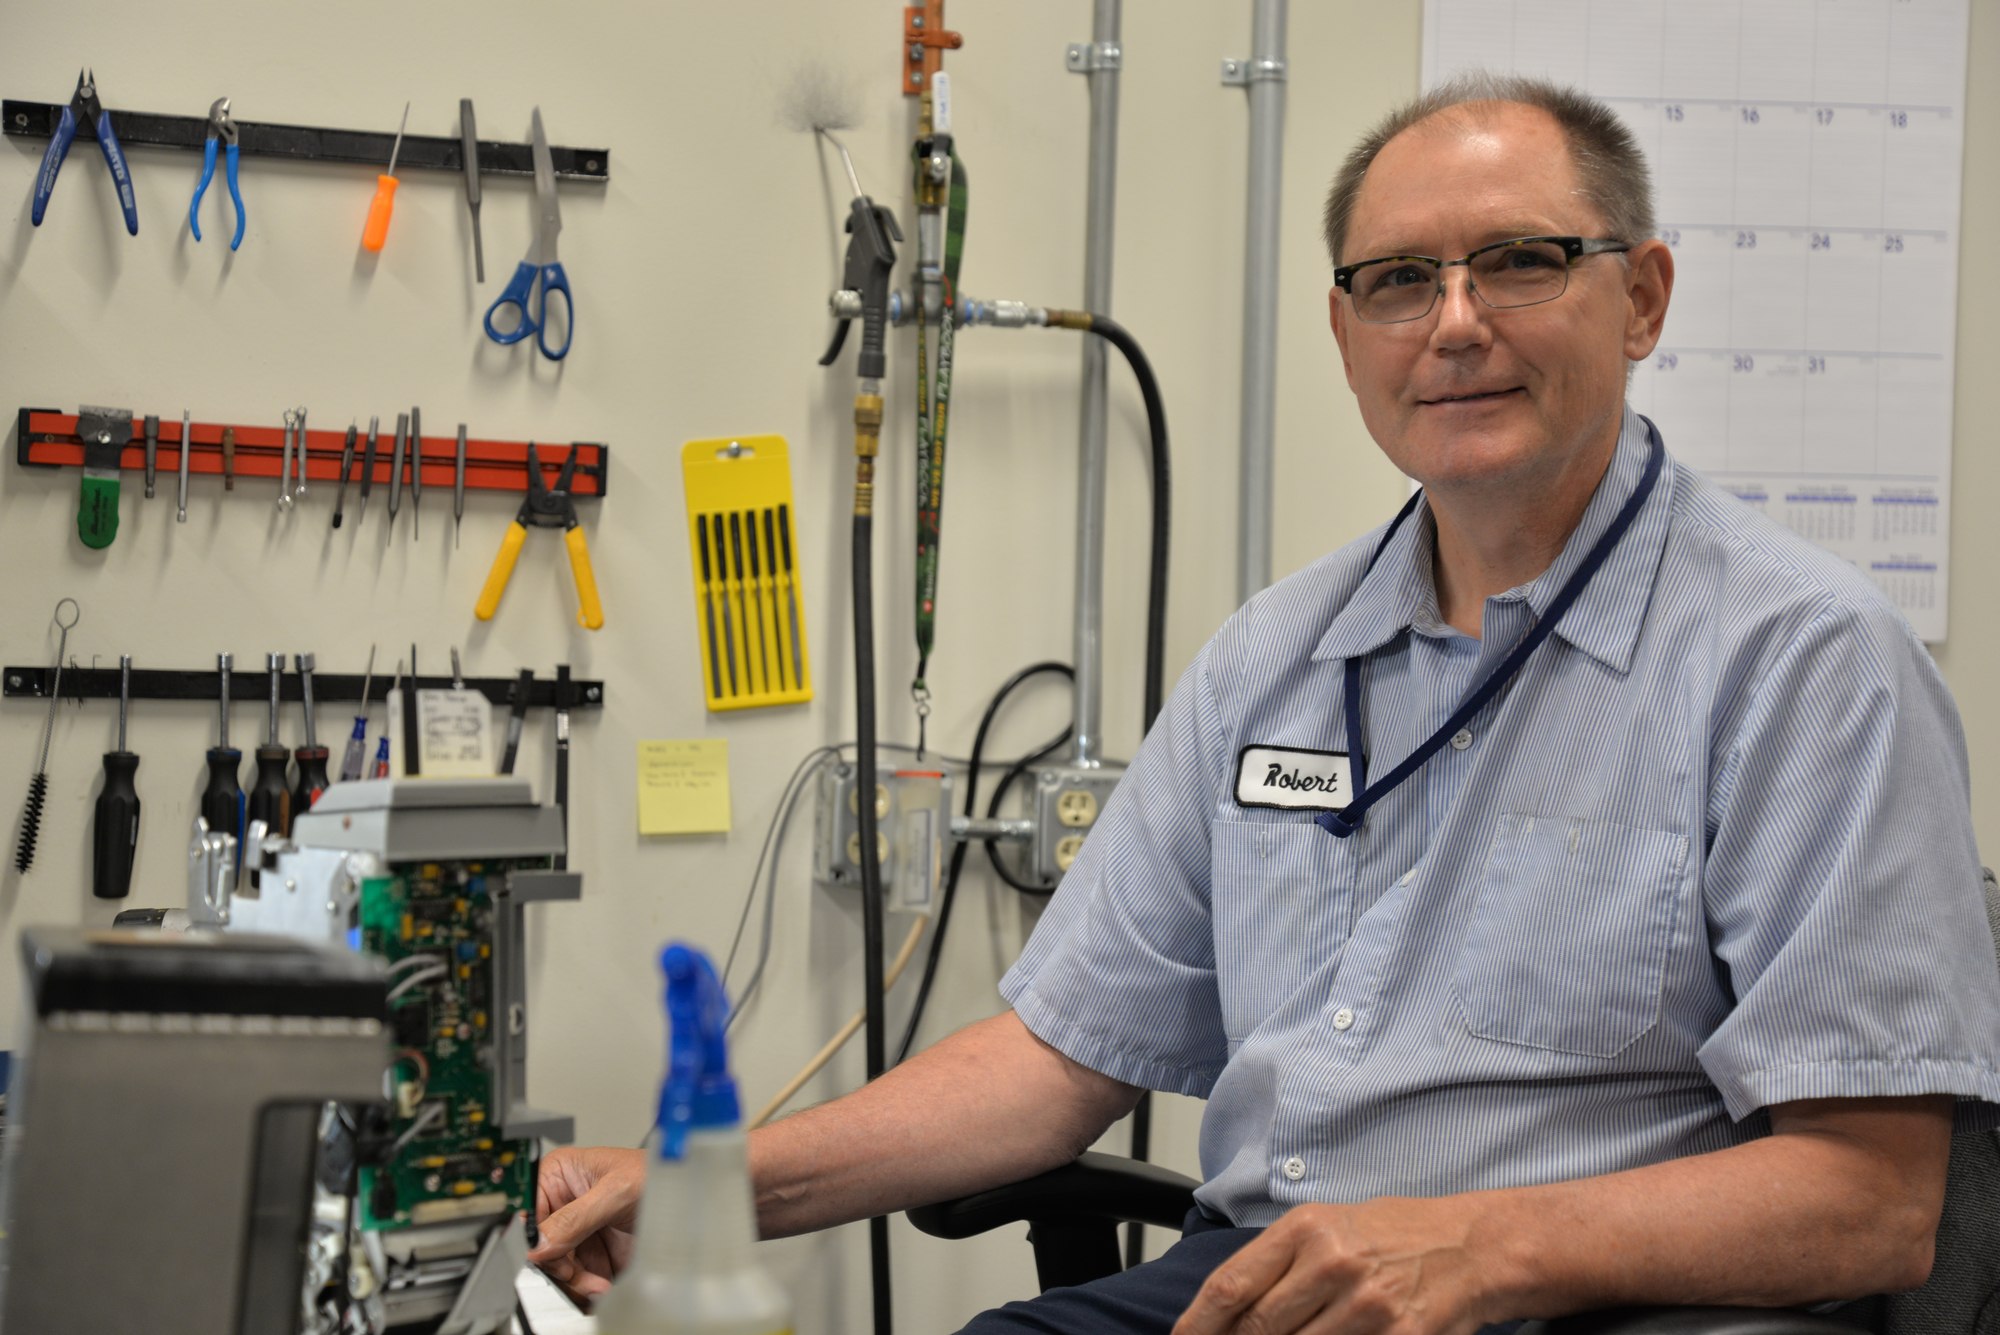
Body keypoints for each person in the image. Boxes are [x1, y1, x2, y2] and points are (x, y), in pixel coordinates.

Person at [532, 73, 2000, 1334]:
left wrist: (1475, 1250)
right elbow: (1056, 1063)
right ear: (1347, 328)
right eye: (1401, 281)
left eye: (1523, 262)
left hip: (1594, 1306)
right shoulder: (1275, 660)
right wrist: (711, 1181)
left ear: (1645, 298)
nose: (1456, 323)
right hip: (1269, 1291)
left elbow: (1873, 1203)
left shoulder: (1803, 663)